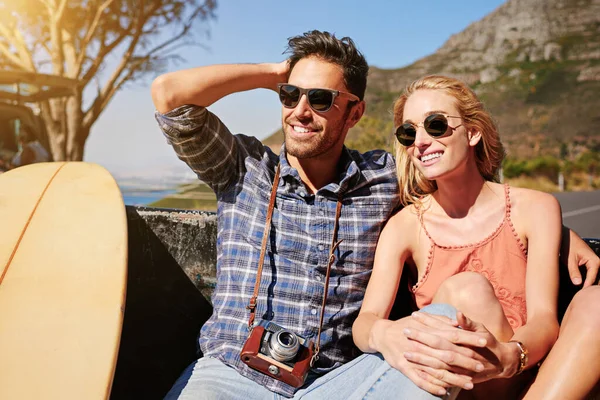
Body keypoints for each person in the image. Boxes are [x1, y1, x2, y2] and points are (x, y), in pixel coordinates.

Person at [151, 30, 599, 399]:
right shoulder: (242, 165)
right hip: (230, 376)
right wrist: (276, 74)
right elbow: (169, 96)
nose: (300, 111)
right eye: (290, 96)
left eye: (322, 99)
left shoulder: (383, 180)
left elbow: (460, 192)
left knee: (435, 337)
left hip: (338, 384)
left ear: (355, 112)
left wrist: (557, 233)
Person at [352, 75, 600, 400]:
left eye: (436, 125)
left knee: (596, 303)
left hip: (534, 376)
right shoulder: (404, 227)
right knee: (466, 291)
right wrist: (385, 333)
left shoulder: (534, 208)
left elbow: (543, 320)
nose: (421, 142)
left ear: (472, 133)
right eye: (409, 133)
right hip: (461, 388)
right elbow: (365, 322)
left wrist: (511, 357)